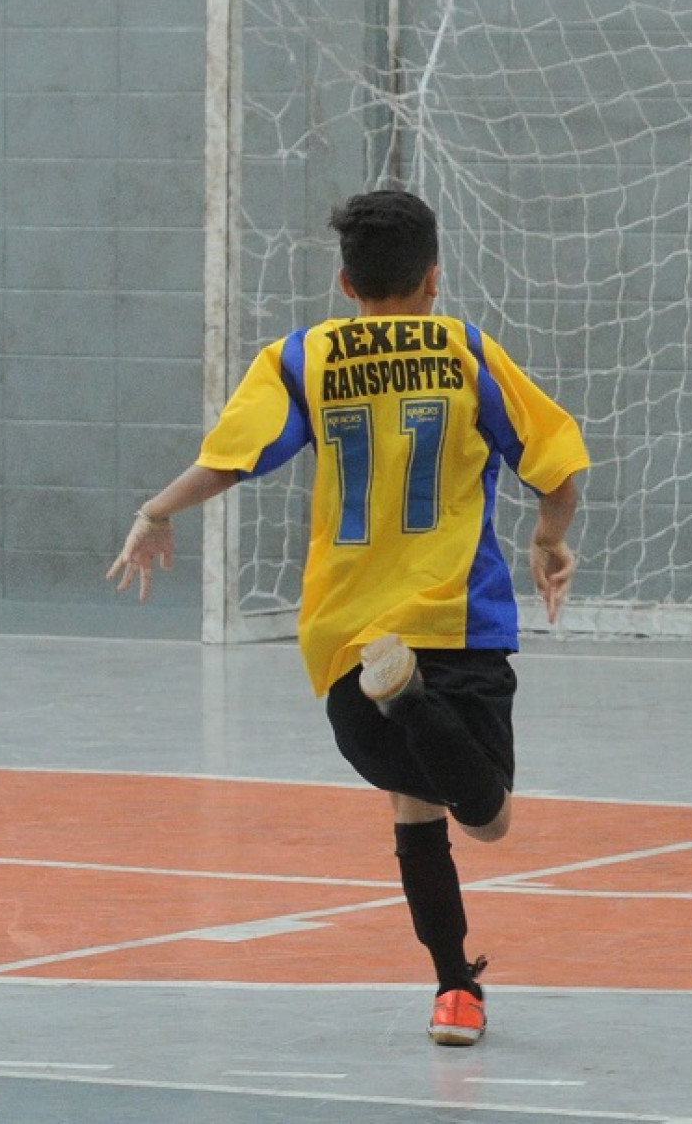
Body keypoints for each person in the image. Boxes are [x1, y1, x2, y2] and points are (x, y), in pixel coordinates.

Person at [107, 189, 590, 1044]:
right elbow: (553, 464)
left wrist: (156, 509)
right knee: (487, 819)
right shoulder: (467, 351)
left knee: (413, 811)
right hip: (456, 622)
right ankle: (412, 704)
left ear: (344, 281)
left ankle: (454, 992)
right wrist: (550, 540)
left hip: (348, 639)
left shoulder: (301, 358)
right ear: (433, 279)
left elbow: (233, 459)